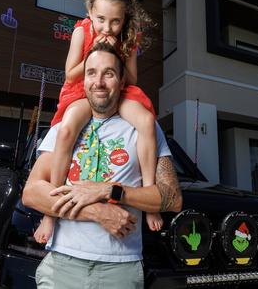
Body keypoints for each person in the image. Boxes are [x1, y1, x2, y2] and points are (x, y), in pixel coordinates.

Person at [22, 43, 182, 289]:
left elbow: (172, 199)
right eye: (92, 73)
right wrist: (98, 212)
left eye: (108, 73)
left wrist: (109, 191)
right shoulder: (63, 128)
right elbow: (32, 193)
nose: (99, 82)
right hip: (62, 264)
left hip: (120, 270)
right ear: (83, 80)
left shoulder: (144, 128)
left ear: (121, 82)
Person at [34, 0, 161, 244]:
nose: (108, 27)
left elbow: (133, 78)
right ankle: (50, 212)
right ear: (91, 11)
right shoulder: (82, 31)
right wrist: (97, 49)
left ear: (124, 18)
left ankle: (150, 199)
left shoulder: (128, 38)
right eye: (101, 19)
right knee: (67, 130)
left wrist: (118, 50)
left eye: (115, 21)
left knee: (147, 122)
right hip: (83, 88)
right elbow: (70, 74)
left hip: (119, 88)